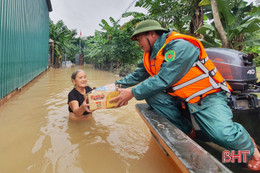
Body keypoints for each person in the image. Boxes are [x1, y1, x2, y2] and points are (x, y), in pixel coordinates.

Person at [110, 19, 260, 170]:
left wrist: (132, 92)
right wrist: (116, 86)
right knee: (151, 94)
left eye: (139, 38)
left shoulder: (180, 46)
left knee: (221, 134)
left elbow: (163, 79)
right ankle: (187, 130)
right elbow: (138, 75)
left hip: (208, 97)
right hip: (184, 98)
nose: (138, 43)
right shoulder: (151, 54)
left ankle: (249, 147)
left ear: (152, 34)